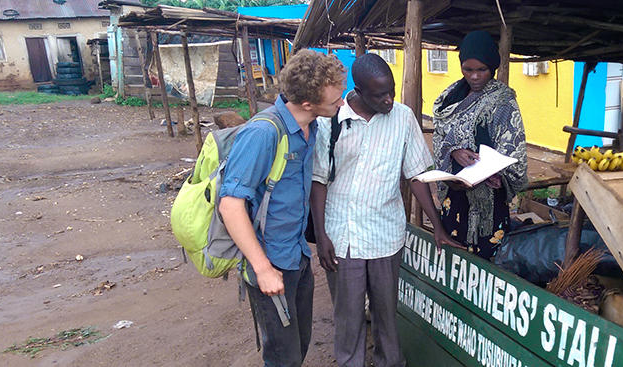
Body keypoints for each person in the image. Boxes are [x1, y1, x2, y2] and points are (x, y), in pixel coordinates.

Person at [310, 53, 462, 367]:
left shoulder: (403, 117)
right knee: (349, 317)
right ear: (360, 91)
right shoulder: (330, 120)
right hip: (343, 236)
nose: (389, 100)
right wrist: (322, 235)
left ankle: (390, 363)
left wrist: (437, 224)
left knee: (386, 313)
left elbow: (417, 174)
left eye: (391, 91)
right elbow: (318, 181)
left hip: (386, 233)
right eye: (380, 95)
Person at [218, 49, 346, 367]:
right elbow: (230, 205)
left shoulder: (310, 127)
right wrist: (262, 269)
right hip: (271, 263)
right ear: (307, 103)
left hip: (296, 256)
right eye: (334, 101)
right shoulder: (263, 133)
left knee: (298, 346)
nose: (341, 104)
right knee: (282, 357)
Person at [432, 30, 528, 260]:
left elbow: (514, 152)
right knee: (454, 259)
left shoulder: (504, 101)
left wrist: (497, 174)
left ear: (493, 67)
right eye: (468, 69)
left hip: (490, 205)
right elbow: (440, 140)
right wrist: (454, 151)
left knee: (489, 264)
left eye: (481, 70)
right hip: (454, 198)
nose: (474, 76)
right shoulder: (450, 99)